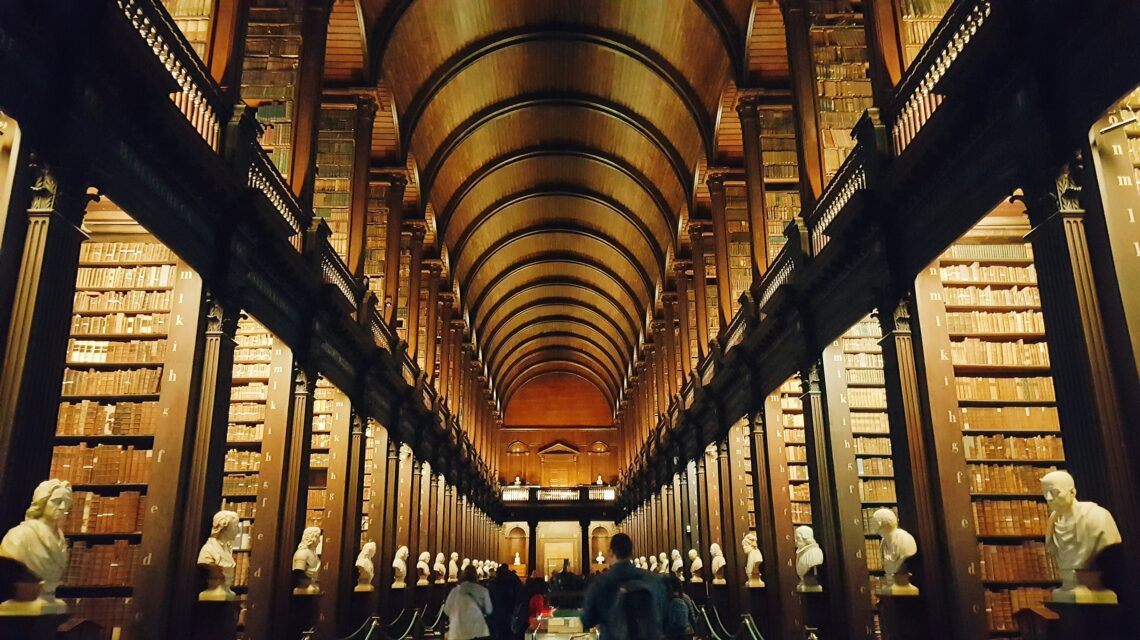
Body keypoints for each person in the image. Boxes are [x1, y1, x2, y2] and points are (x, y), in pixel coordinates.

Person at [581, 533, 666, 640]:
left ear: (611, 552)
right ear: (631, 552)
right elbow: (663, 614)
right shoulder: (652, 580)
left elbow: (587, 620)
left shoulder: (600, 582)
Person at [445, 565, 493, 640]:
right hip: (477, 630)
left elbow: (447, 610)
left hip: (458, 631)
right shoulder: (482, 591)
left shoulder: (454, 591)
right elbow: (489, 610)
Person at [488, 563, 522, 640]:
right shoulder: (512, 579)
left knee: (499, 632)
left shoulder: (493, 583)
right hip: (509, 609)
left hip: (497, 610)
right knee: (508, 630)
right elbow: (518, 590)